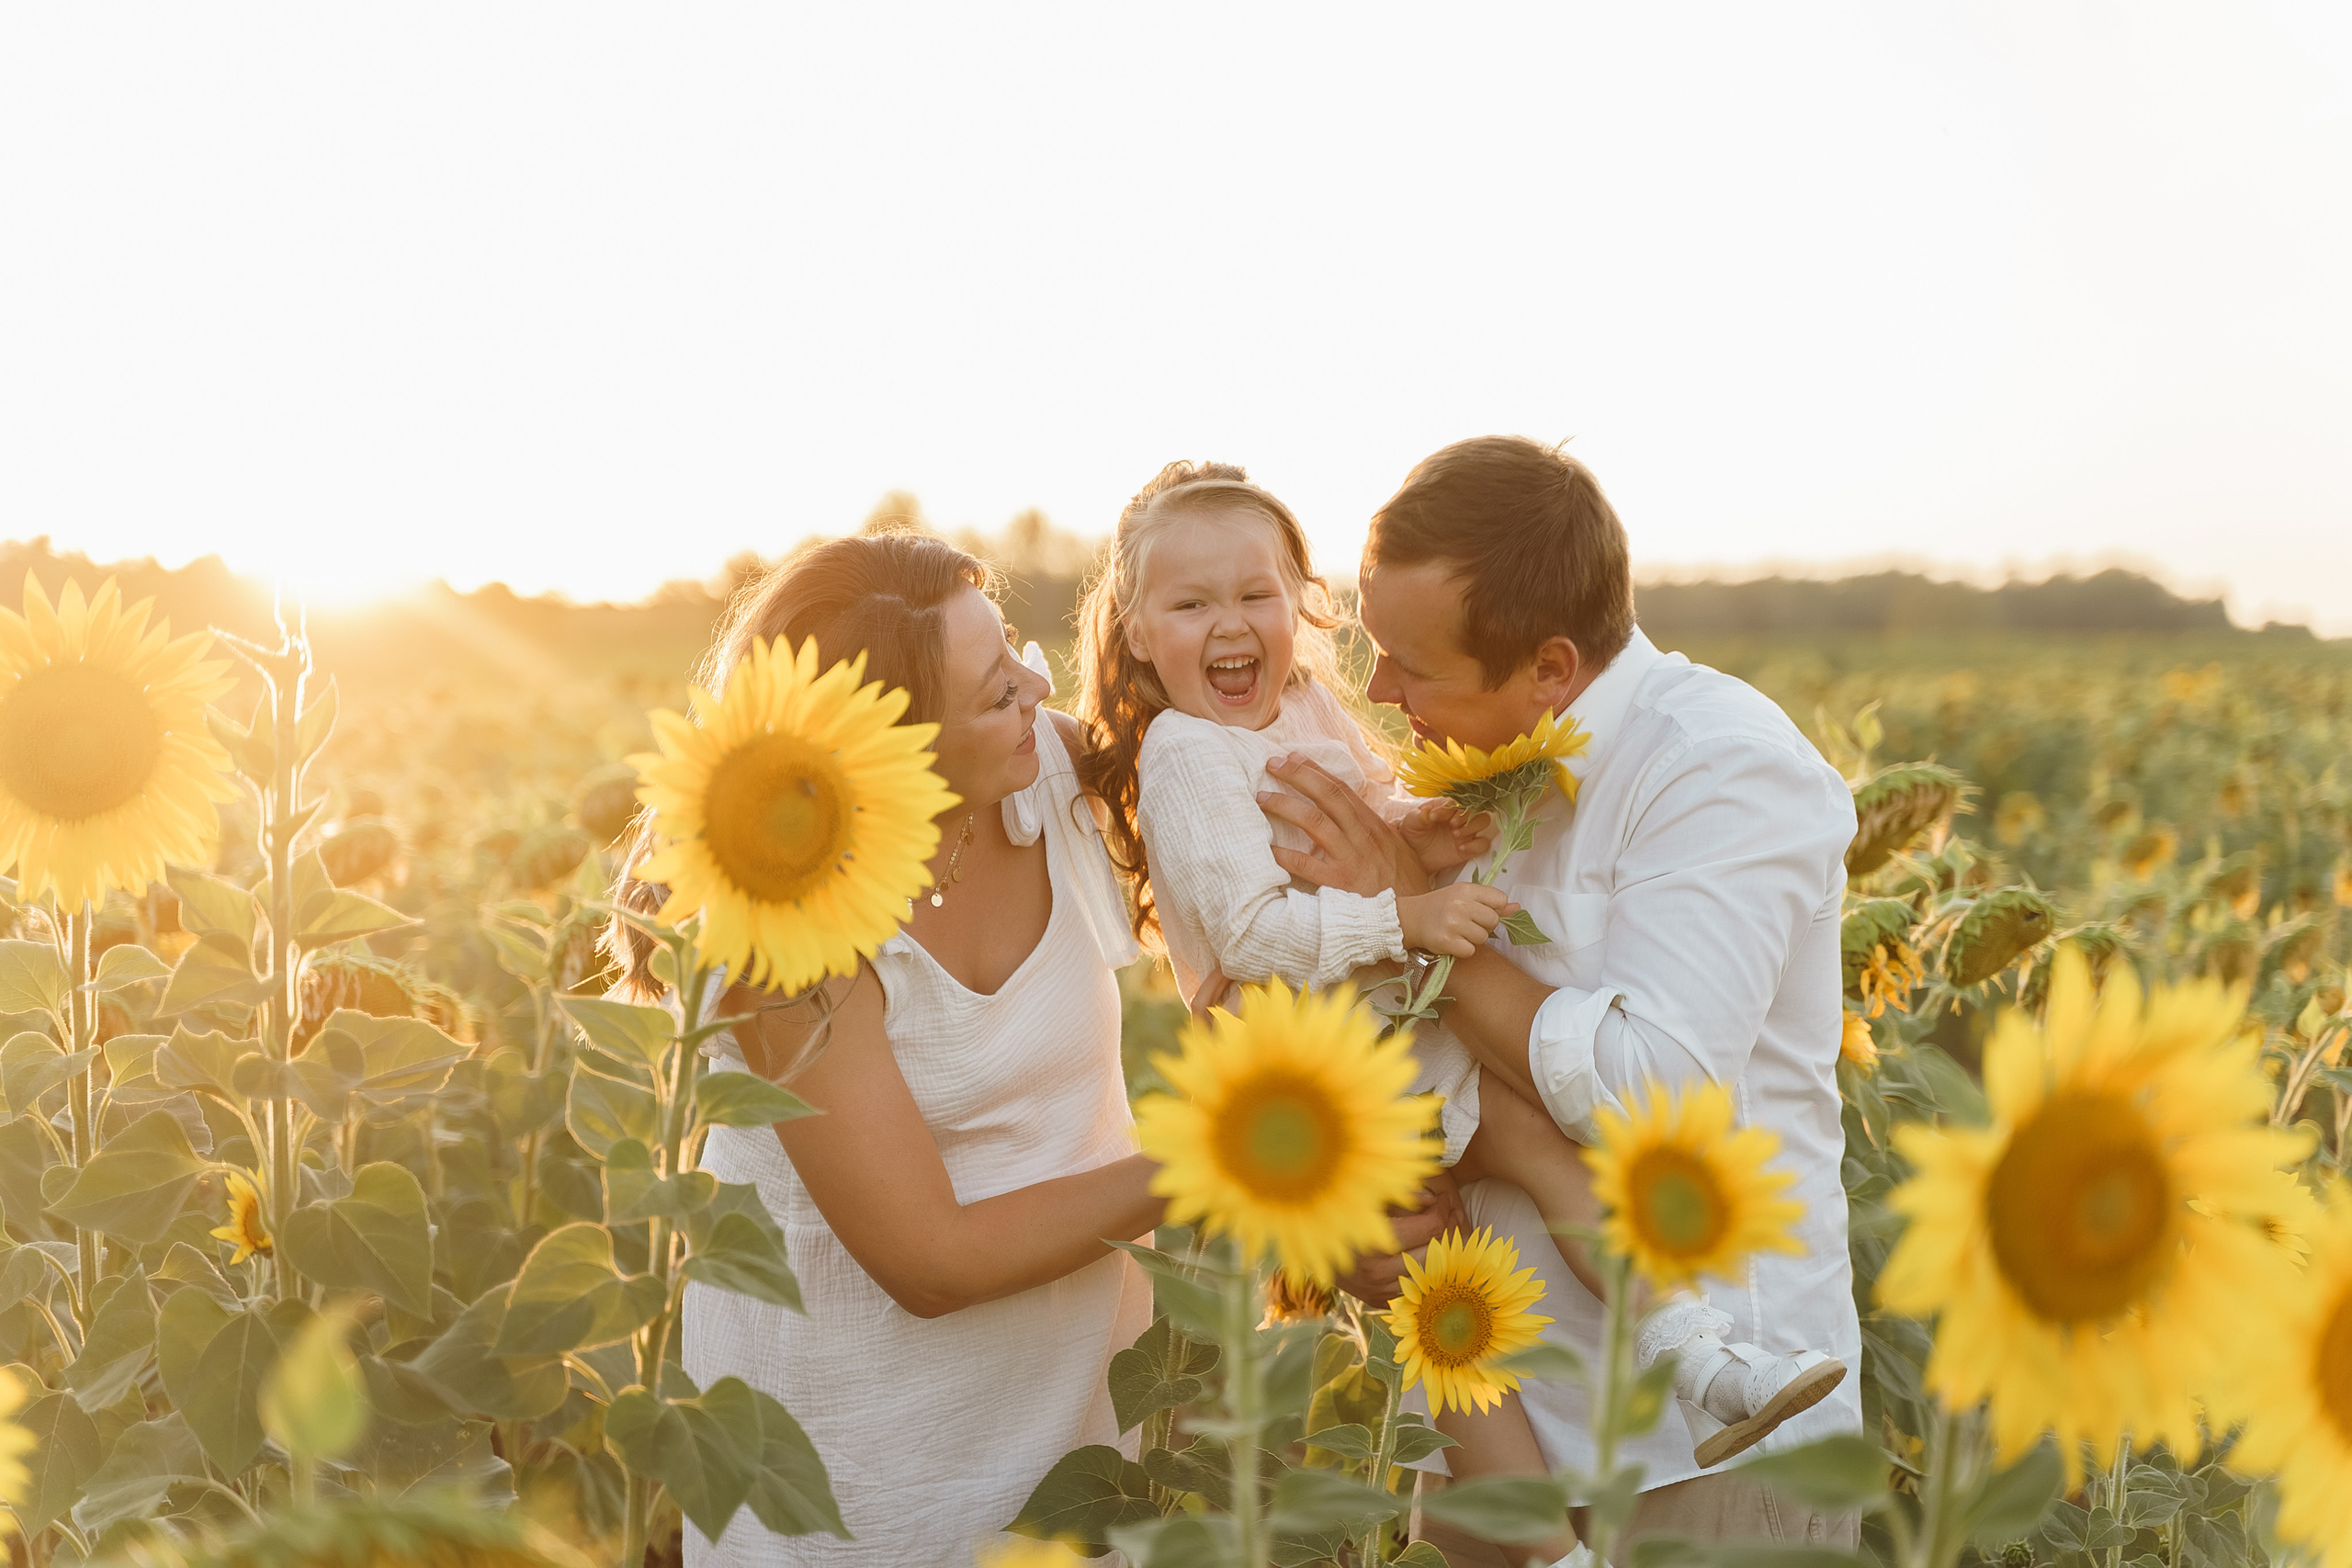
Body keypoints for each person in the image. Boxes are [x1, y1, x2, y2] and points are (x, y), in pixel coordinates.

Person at [1071, 458, 1844, 1562]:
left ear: (1548, 669)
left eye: (1411, 664)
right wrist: (1361, 1228)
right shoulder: (1440, 753)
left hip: (1684, 1470)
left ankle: (1705, 1359)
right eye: (1377, 649)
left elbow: (1650, 1084)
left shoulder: (1717, 769)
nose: (1381, 693)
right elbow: (1282, 944)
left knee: (1524, 1140)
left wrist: (1397, 892)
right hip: (1491, 1407)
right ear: (1139, 627)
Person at [609, 533, 1159, 1567]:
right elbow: (929, 1261)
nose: (1038, 690)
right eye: (997, 690)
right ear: (892, 758)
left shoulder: (1047, 768)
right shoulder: (779, 927)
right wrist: (1214, 1169)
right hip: (859, 1467)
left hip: (1074, 1422)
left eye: (1019, 656)